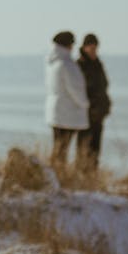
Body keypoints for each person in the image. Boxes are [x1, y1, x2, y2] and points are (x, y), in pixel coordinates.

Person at [45, 31, 89, 168]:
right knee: (62, 149)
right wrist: (85, 104)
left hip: (56, 111)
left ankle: (56, 175)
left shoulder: (52, 63)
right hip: (68, 113)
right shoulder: (66, 64)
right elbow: (75, 89)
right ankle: (59, 175)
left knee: (58, 148)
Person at [76, 33, 111, 170]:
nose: (93, 51)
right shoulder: (79, 65)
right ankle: (81, 175)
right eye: (91, 48)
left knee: (96, 149)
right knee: (84, 147)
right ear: (84, 47)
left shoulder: (98, 64)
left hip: (99, 113)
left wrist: (105, 105)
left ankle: (92, 175)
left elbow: (104, 85)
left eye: (95, 48)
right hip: (86, 113)